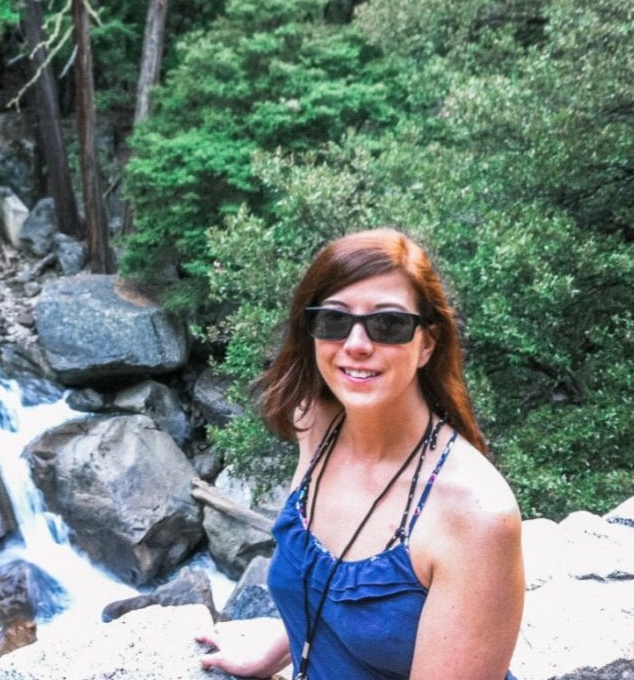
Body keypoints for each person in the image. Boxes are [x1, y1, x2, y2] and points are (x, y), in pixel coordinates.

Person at [196, 228, 524, 680]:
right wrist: (269, 657)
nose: (356, 345)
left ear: (427, 342)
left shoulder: (474, 514)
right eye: (334, 320)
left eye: (388, 324)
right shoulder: (316, 422)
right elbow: (323, 590)